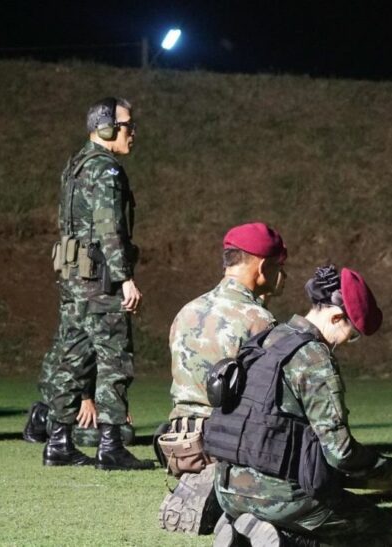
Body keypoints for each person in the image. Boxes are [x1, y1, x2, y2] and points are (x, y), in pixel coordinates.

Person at [207, 265, 392, 547]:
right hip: (277, 496)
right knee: (380, 529)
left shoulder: (266, 340)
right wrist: (390, 470)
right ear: (337, 317)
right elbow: (341, 453)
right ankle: (283, 538)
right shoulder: (314, 358)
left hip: (226, 489)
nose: (347, 342)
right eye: (352, 333)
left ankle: (244, 528)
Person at [42, 97, 151, 470]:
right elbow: (109, 227)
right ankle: (111, 445)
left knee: (72, 357)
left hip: (74, 277)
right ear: (106, 128)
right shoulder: (105, 169)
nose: (132, 132)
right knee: (114, 358)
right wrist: (125, 278)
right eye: (127, 125)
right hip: (100, 279)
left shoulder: (76, 165)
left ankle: (58, 441)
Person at [158, 222, 288, 534]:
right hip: (224, 443)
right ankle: (228, 490)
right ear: (263, 266)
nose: (283, 275)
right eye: (279, 266)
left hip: (178, 442)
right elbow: (268, 396)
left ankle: (203, 482)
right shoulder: (258, 320)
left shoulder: (187, 310)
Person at [22, 337, 135, 447]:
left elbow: (112, 368)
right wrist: (85, 398)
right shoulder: (96, 325)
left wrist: (117, 404)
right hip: (64, 383)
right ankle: (43, 417)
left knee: (124, 433)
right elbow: (75, 360)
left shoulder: (118, 330)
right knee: (106, 436)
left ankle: (58, 420)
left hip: (86, 383)